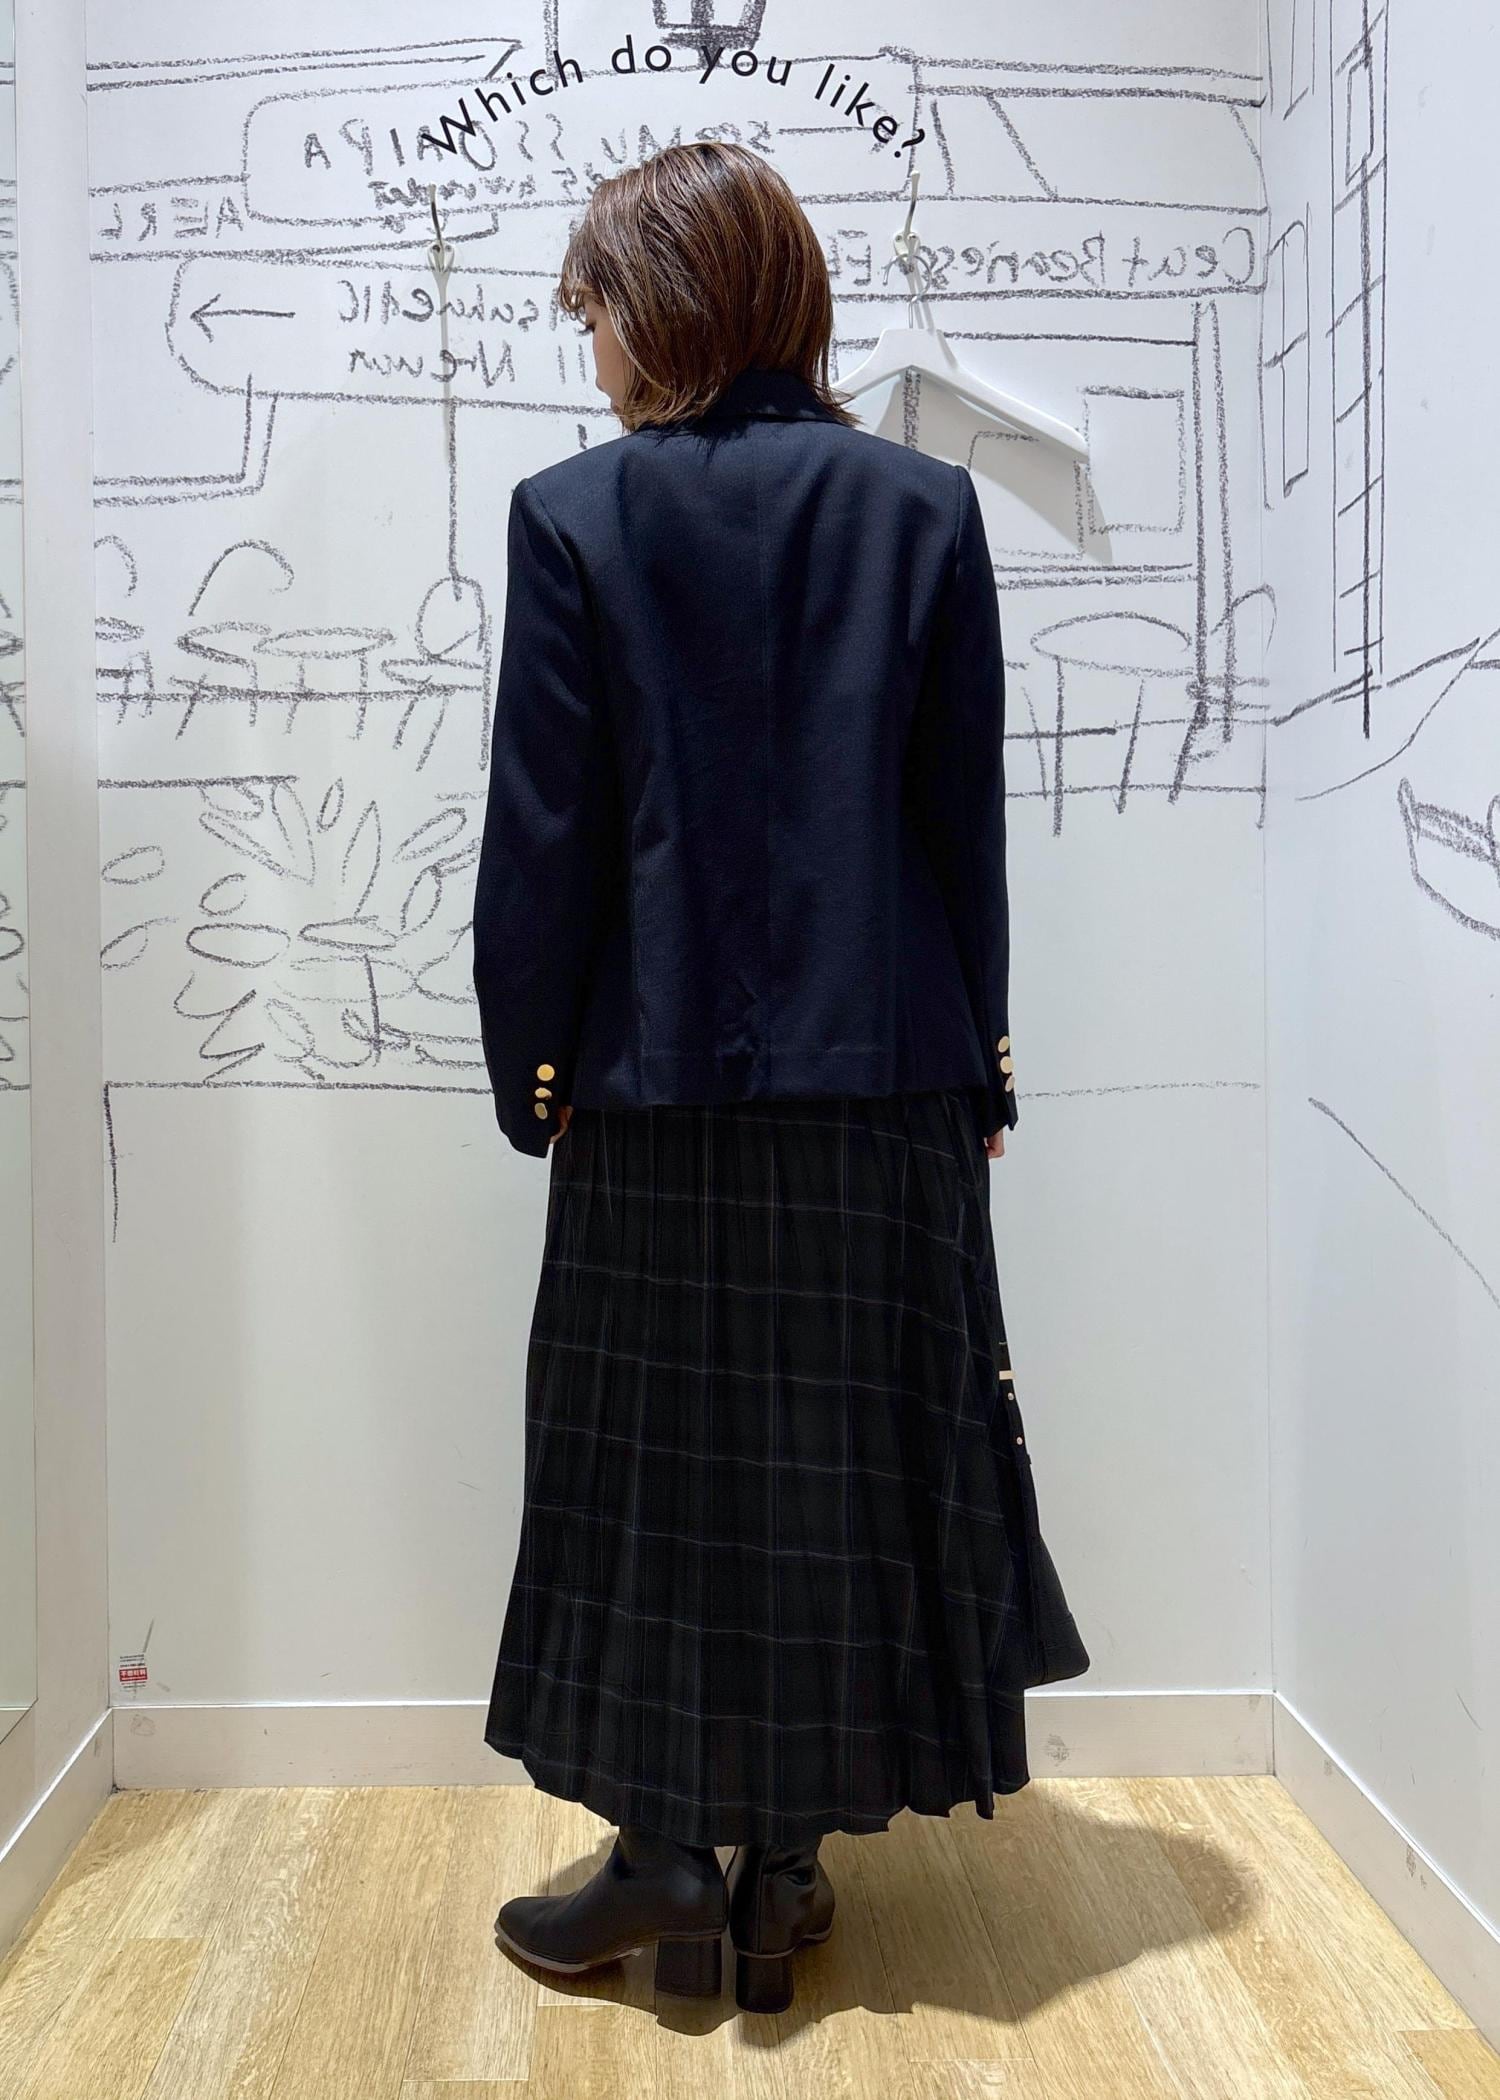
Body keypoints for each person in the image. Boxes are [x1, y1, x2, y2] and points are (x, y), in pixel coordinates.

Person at [471, 140, 1091, 2017]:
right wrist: (981, 1065)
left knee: (650, 1475)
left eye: (595, 310)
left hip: (649, 1083)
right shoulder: (922, 510)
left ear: (663, 304)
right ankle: (784, 1874)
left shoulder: (573, 518)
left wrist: (531, 1066)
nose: (590, 350)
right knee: (836, 1468)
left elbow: (546, 843)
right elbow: (958, 829)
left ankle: (667, 1854)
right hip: (883, 1079)